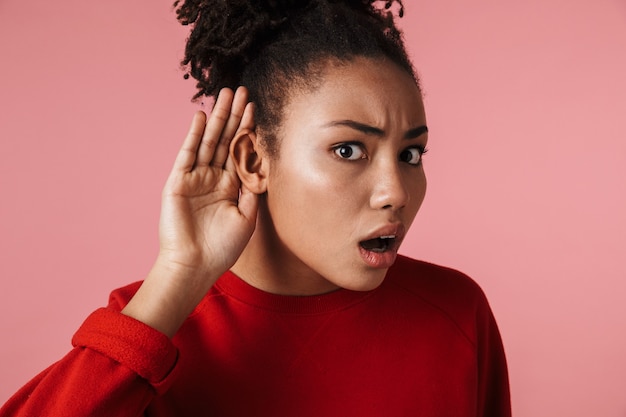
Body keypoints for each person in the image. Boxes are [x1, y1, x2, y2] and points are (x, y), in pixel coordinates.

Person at [0, 0, 511, 416]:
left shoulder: (456, 314)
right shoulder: (149, 331)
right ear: (252, 158)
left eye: (410, 154)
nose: (395, 191)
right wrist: (179, 275)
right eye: (348, 150)